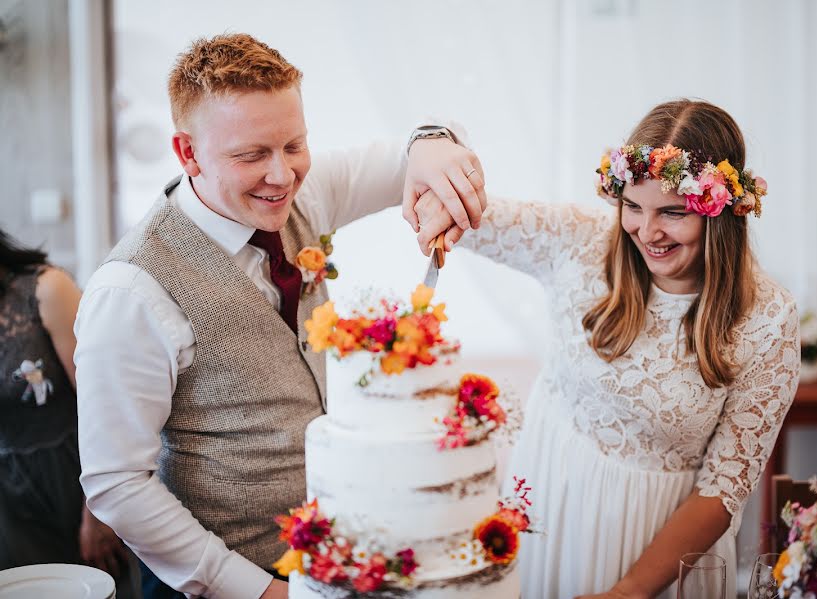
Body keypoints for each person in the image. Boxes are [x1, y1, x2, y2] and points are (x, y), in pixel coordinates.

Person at [74, 33, 486, 599]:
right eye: (251, 155)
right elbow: (116, 484)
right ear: (188, 153)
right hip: (226, 581)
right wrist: (261, 592)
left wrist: (436, 148)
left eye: (294, 145)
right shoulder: (131, 290)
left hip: (328, 553)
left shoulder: (301, 198)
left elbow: (411, 153)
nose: (283, 175)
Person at [411, 99, 801, 599]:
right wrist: (431, 168)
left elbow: (724, 487)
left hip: (663, 556)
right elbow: (466, 213)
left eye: (673, 213)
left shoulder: (769, 318)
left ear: (722, 212)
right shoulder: (579, 240)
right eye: (632, 206)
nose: (647, 231)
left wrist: (631, 591)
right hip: (547, 509)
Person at [0, 230, 128, 575]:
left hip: (74, 480)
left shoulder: (46, 290)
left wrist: (99, 510)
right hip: (8, 503)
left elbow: (105, 403)